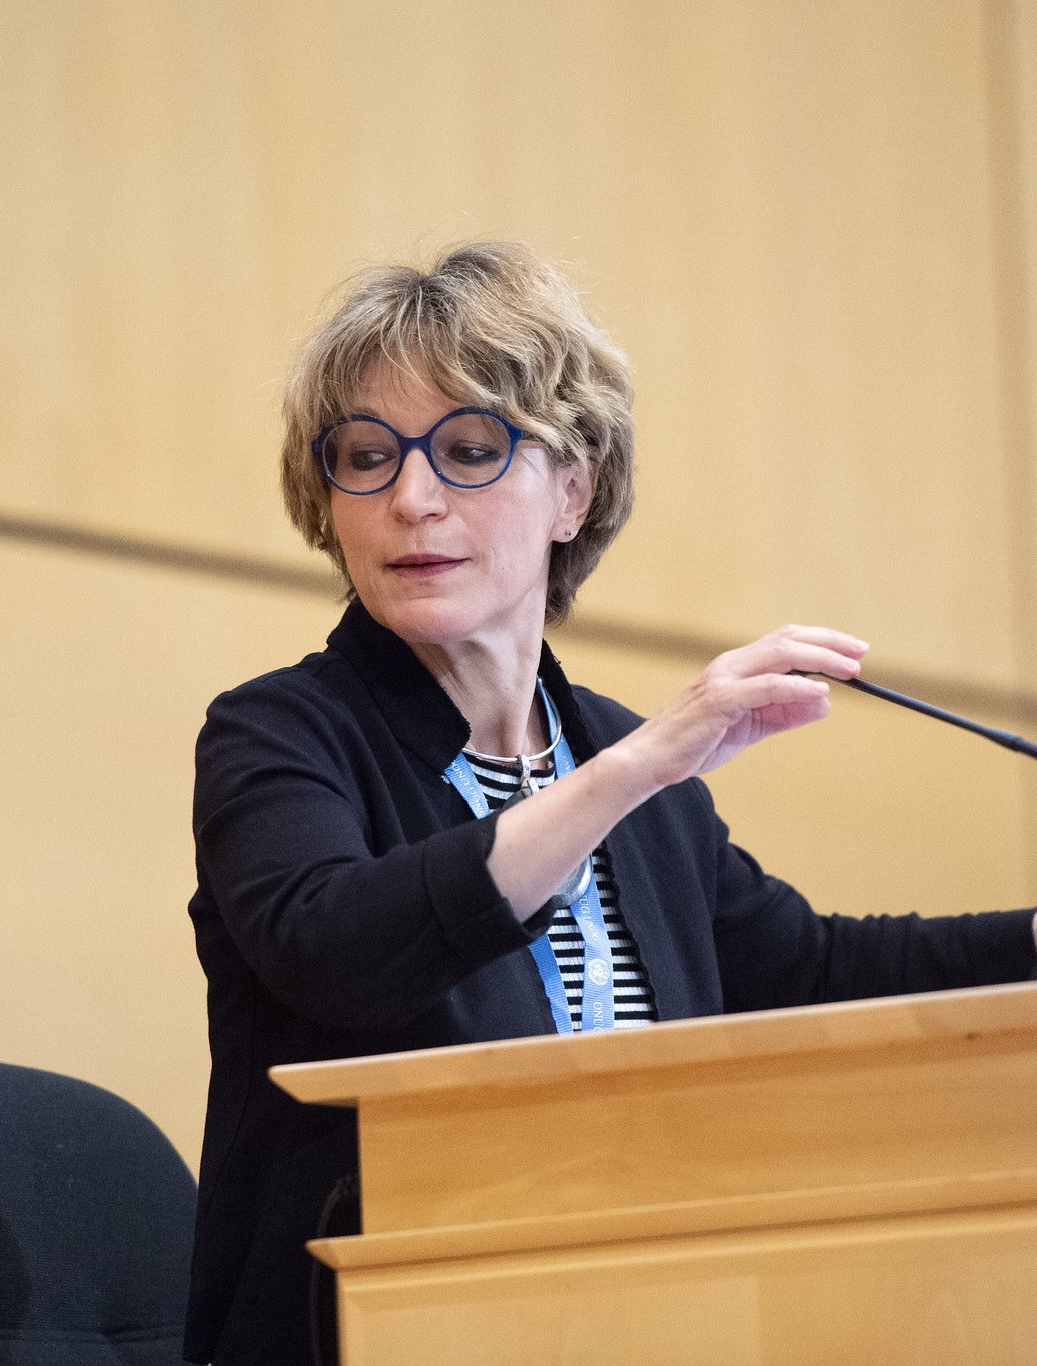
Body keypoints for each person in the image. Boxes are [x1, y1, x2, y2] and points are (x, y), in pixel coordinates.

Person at [183, 241, 1037, 1366]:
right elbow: (339, 947)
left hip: (653, 1304)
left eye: (471, 449)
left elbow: (804, 974)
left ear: (571, 490)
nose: (412, 497)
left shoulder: (616, 755)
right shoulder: (284, 733)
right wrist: (633, 773)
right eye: (365, 457)